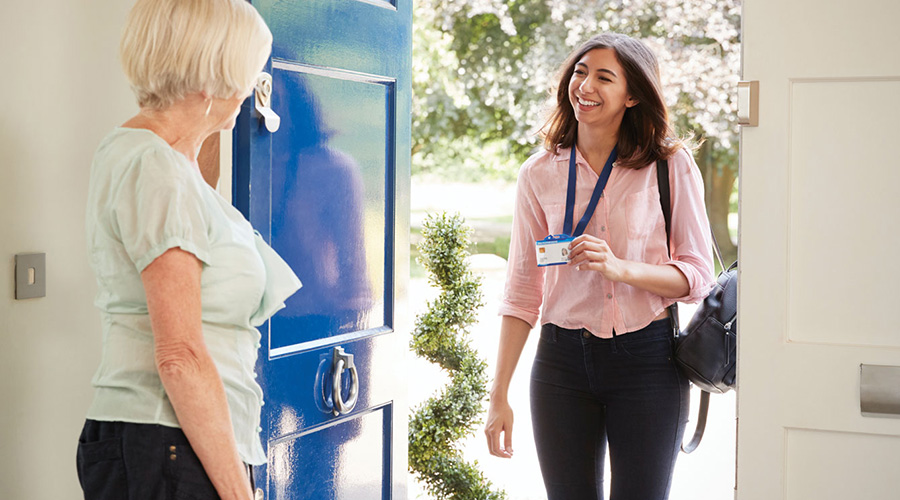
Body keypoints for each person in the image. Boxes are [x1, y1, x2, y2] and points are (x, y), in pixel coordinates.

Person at [76, 1, 301, 499]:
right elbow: (179, 354)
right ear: (212, 74)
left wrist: (200, 130)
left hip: (171, 441)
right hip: (167, 440)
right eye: (247, 69)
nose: (251, 86)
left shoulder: (161, 161)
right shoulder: (155, 168)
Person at [484, 33, 715, 500]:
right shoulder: (539, 172)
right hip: (560, 365)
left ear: (632, 96)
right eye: (580, 71)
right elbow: (523, 290)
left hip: (647, 362)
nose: (585, 85)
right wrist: (498, 394)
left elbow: (696, 276)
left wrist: (621, 268)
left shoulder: (669, 166)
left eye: (604, 77)